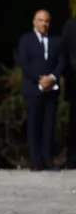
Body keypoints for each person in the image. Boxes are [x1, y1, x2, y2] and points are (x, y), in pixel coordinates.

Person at [16, 9, 64, 171]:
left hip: (52, 88)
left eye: (47, 21)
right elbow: (24, 62)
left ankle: (47, 160)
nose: (44, 24)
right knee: (34, 125)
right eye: (41, 20)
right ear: (34, 22)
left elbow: (61, 62)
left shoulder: (56, 41)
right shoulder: (26, 40)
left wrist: (52, 77)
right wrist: (39, 79)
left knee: (48, 125)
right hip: (33, 89)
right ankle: (35, 161)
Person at [62, 16, 76, 169]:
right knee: (74, 123)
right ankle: (72, 157)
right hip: (74, 82)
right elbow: (64, 53)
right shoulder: (71, 25)